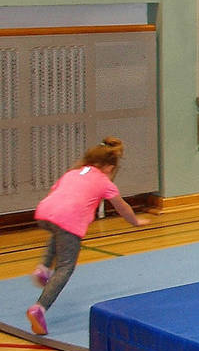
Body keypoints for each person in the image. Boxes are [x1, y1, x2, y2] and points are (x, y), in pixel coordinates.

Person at [26, 137, 148, 335]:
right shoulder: (104, 181)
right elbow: (122, 207)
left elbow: (56, 193)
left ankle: (43, 267)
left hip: (45, 212)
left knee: (58, 230)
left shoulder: (73, 173)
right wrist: (135, 221)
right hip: (69, 220)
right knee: (65, 267)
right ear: (109, 167)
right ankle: (39, 308)